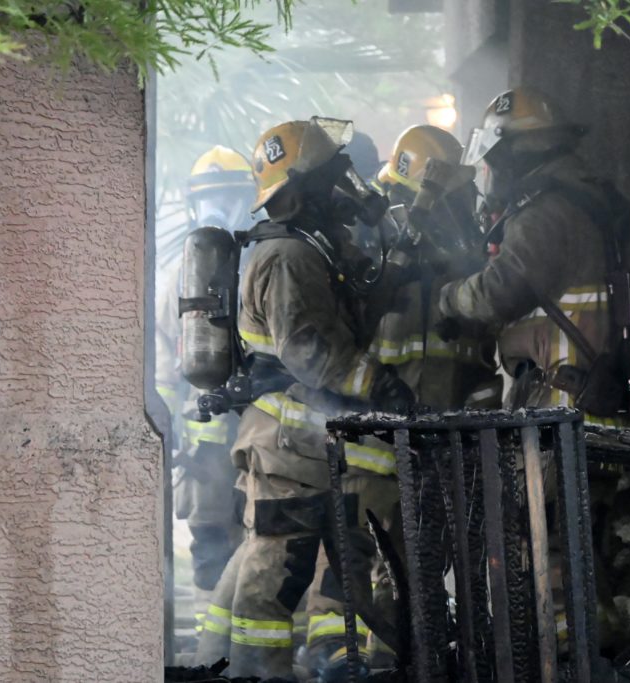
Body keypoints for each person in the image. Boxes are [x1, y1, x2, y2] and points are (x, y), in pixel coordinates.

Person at [195, 117, 415, 680]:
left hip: (299, 439)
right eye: (334, 175)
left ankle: (214, 662)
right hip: (285, 440)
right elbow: (307, 348)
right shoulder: (289, 255)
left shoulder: (313, 245)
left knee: (274, 556)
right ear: (306, 188)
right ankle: (254, 671)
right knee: (274, 570)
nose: (347, 185)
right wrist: (377, 383)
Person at [301, 124, 505, 679]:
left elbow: (480, 350)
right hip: (374, 434)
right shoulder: (374, 246)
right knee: (353, 555)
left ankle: (392, 661)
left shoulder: (463, 256)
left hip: (432, 442)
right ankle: (334, 657)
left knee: (412, 565)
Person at [439, 86, 630, 416]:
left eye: (494, 157)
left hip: (563, 410)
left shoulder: (545, 211)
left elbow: (502, 291)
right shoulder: (592, 198)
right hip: (591, 400)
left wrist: (450, 298)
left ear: (509, 155)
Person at [155, 145, 256, 640]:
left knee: (266, 544)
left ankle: (257, 651)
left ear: (250, 201)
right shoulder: (178, 279)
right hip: (204, 455)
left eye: (230, 197)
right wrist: (168, 429)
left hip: (259, 442)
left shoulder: (263, 264)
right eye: (209, 198)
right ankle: (211, 653)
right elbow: (162, 367)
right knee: (210, 549)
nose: (219, 209)